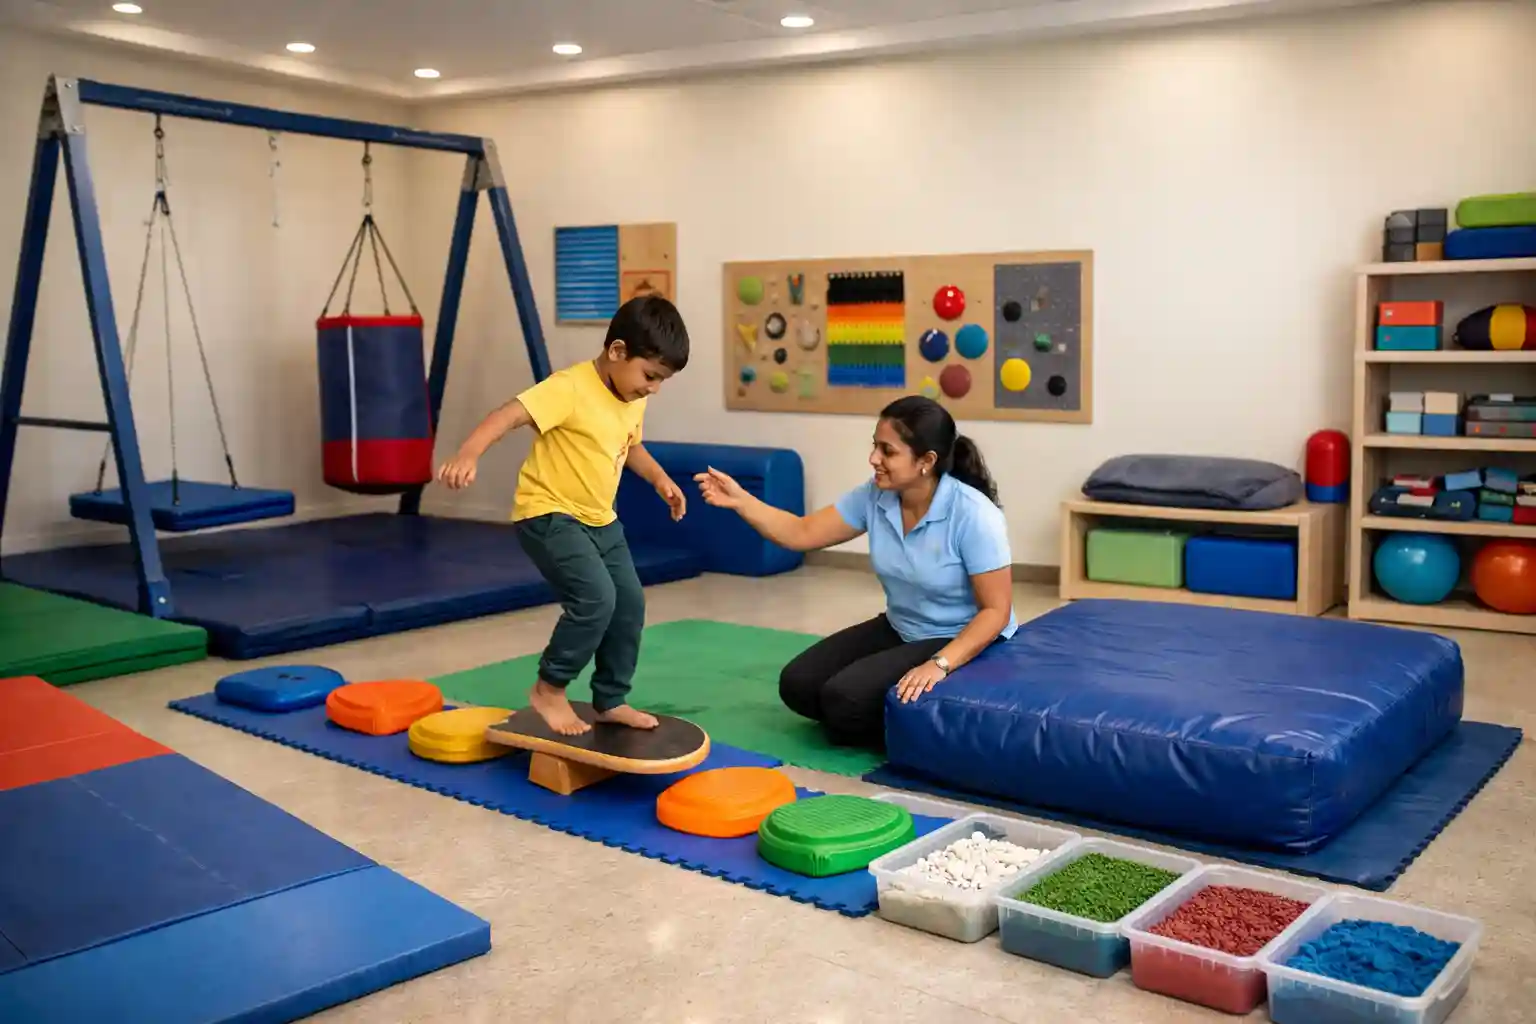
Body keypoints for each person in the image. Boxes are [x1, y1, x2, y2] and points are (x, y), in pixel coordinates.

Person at [696, 395, 1015, 748]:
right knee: (798, 684)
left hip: (958, 635)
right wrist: (741, 501)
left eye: (887, 451)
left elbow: (996, 611)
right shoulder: (875, 496)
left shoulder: (973, 514)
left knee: (845, 700)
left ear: (926, 461)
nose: (874, 459)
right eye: (875, 446)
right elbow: (802, 532)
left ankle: (928, 730)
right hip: (902, 626)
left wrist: (939, 664)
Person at [436, 295, 690, 736]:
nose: (653, 389)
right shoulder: (569, 388)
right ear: (617, 351)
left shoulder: (632, 396)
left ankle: (611, 699)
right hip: (548, 513)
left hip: (600, 519)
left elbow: (629, 445)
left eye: (661, 380)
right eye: (650, 376)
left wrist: (659, 479)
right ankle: (549, 688)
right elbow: (507, 416)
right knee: (596, 599)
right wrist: (469, 454)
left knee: (629, 603)